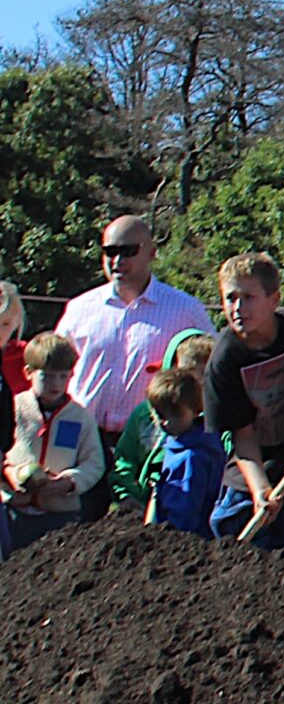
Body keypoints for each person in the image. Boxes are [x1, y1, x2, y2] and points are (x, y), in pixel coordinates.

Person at [54, 214, 213, 514]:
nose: (117, 260)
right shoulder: (79, 309)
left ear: (152, 253)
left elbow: (211, 368)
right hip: (81, 440)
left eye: (128, 250)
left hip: (147, 443)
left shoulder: (185, 309)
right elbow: (53, 366)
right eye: (110, 251)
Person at [205, 253, 284, 548]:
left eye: (248, 297)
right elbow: (243, 436)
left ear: (274, 299)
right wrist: (260, 489)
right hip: (256, 465)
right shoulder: (225, 361)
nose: (238, 308)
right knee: (231, 530)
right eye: (230, 298)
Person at [5, 333, 104, 549]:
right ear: (28, 373)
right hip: (13, 510)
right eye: (47, 376)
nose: (56, 383)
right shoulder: (13, 408)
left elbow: (94, 462)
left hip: (60, 514)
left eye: (63, 376)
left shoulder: (80, 417)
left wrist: (70, 481)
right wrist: (9, 473)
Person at [109, 329, 214, 517]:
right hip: (139, 505)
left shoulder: (217, 421)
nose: (196, 383)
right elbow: (125, 460)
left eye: (203, 376)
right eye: (188, 374)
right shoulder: (144, 416)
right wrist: (126, 495)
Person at [144, 368, 223, 538]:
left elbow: (185, 513)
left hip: (183, 538)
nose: (165, 422)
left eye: (176, 414)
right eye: (159, 414)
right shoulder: (181, 444)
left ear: (195, 410)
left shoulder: (191, 457)